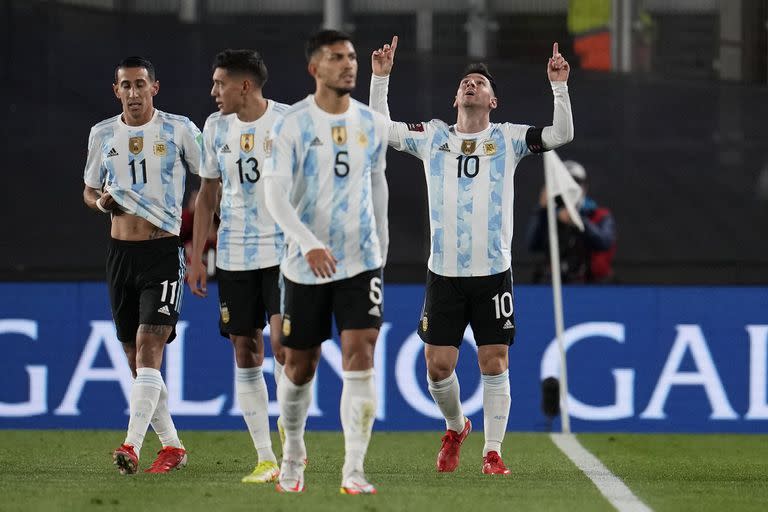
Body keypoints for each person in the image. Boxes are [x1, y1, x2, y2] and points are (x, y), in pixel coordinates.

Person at [370, 36, 574, 474]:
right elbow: (380, 130)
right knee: (438, 366)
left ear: (493, 100)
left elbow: (562, 134)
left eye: (479, 82)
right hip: (443, 272)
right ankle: (456, 425)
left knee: (493, 360)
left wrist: (559, 86)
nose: (471, 85)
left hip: (492, 272)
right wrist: (380, 79)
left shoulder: (509, 139)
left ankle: (492, 451)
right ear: (455, 97)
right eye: (466, 81)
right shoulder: (432, 137)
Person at [263, 29, 390, 494]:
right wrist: (305, 241)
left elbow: (378, 184)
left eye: (352, 56)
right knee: (300, 365)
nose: (349, 64)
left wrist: (383, 249)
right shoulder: (292, 123)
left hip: (360, 260)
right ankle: (293, 452)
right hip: (304, 264)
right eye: (337, 57)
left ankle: (353, 469)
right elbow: (273, 192)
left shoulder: (371, 124)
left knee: (362, 354)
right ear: (315, 68)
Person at [82, 56, 203, 475]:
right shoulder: (103, 134)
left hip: (162, 251)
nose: (133, 93)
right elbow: (89, 189)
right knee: (136, 359)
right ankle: (172, 447)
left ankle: (131, 446)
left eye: (140, 84)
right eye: (125, 86)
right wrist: (101, 204)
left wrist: (202, 235)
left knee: (150, 349)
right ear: (116, 90)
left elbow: (210, 177)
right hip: (120, 254)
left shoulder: (179, 130)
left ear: (155, 87)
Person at [186, 49, 288, 484]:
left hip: (284, 253)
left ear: (244, 85)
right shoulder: (215, 127)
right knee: (246, 351)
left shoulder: (289, 122)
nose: (213, 92)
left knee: (285, 347)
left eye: (219, 83)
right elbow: (207, 195)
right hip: (234, 257)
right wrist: (195, 257)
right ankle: (266, 458)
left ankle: (293, 442)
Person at [527, 160, 616, 283]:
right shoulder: (549, 216)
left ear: (584, 187)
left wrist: (577, 220)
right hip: (555, 284)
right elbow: (533, 244)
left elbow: (604, 242)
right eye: (563, 184)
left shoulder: (599, 215)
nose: (569, 189)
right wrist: (542, 211)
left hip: (591, 285)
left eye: (574, 183)